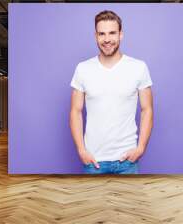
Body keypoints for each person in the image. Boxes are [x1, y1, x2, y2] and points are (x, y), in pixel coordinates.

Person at [69, 10, 153, 174]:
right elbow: (75, 111)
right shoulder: (83, 68)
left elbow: (147, 109)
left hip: (127, 161)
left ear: (121, 34)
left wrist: (140, 148)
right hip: (93, 161)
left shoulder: (138, 67)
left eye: (112, 33)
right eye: (102, 34)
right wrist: (81, 150)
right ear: (96, 36)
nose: (107, 39)